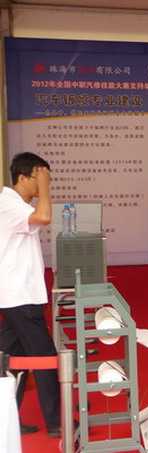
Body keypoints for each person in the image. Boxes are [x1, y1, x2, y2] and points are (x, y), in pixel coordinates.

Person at [0, 152, 61, 437]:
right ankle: (56, 423)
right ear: (23, 177)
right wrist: (45, 185)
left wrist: (43, 180)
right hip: (20, 297)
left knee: (12, 361)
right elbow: (45, 216)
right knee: (45, 358)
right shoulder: (9, 205)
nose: (43, 184)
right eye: (38, 178)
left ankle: (7, 420)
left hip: (19, 296)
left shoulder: (16, 205)